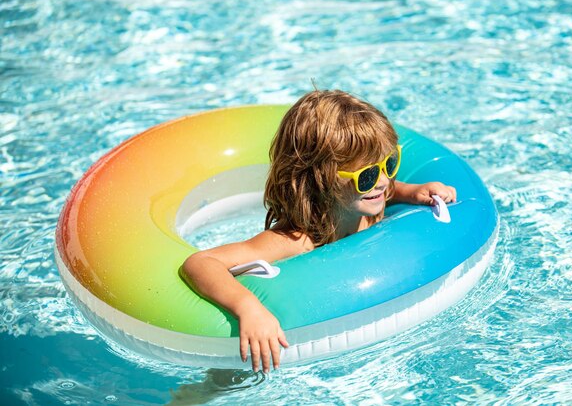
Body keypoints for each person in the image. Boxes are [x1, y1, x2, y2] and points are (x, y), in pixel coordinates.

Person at [180, 89, 456, 374]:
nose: (384, 182)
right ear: (319, 180)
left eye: (389, 164)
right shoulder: (297, 240)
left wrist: (411, 191)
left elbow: (384, 190)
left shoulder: (373, 200)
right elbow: (201, 262)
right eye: (368, 176)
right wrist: (248, 307)